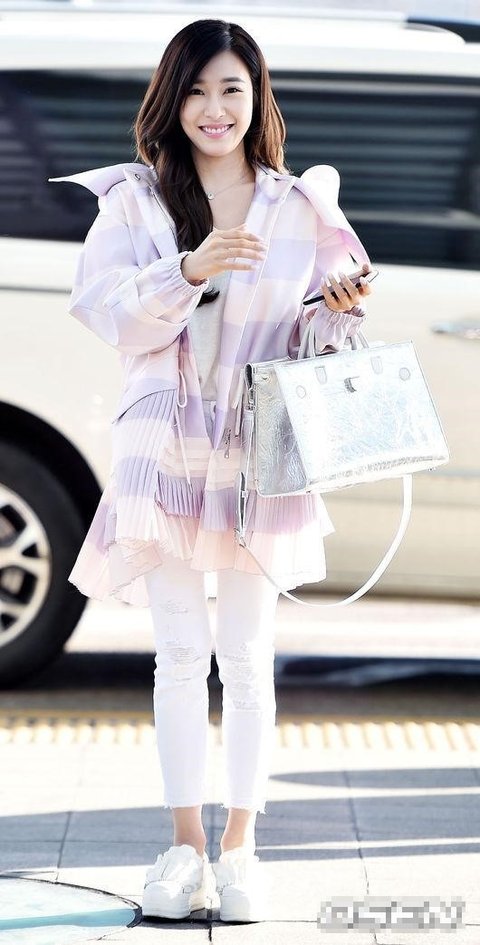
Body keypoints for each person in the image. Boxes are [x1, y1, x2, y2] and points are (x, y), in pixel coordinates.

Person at [49, 17, 373, 924]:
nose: (214, 108)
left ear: (258, 98)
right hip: (164, 447)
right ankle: (185, 845)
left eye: (232, 89)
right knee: (181, 653)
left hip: (258, 449)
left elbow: (309, 341)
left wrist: (339, 308)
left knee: (248, 655)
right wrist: (188, 268)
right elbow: (107, 313)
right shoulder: (134, 201)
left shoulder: (297, 207)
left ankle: (241, 852)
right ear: (172, 98)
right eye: (196, 90)